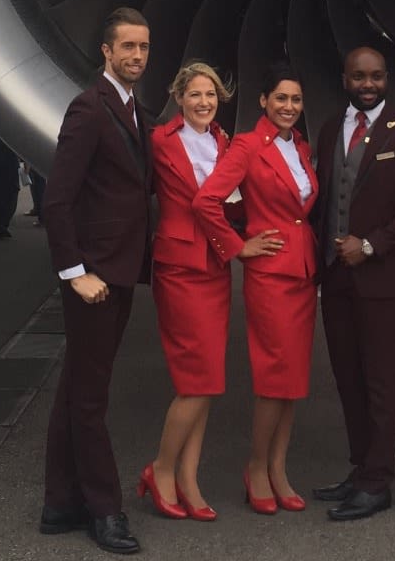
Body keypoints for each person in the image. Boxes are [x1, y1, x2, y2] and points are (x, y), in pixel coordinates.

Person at [39, 7, 153, 554]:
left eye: (143, 47)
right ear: (106, 52)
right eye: (126, 47)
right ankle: (104, 510)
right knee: (90, 398)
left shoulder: (133, 109)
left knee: (76, 388)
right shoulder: (88, 109)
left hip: (119, 269)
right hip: (94, 276)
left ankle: (60, 502)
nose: (136, 56)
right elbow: (57, 199)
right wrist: (76, 272)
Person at [310, 47, 395, 521]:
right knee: (347, 378)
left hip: (381, 277)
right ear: (345, 79)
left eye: (376, 76)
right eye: (359, 76)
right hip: (335, 277)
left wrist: (371, 244)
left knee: (381, 381)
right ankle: (360, 466)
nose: (368, 84)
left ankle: (378, 482)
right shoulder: (328, 130)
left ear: (387, 79)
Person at [193, 63, 316, 518]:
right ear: (263, 101)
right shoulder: (246, 147)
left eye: (296, 100)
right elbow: (205, 201)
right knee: (272, 381)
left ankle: (279, 469)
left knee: (292, 382)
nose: (289, 107)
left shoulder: (299, 146)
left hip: (302, 274)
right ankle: (256, 468)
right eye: (281, 99)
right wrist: (239, 246)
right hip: (270, 276)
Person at [140, 62, 237, 522]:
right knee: (195, 380)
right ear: (179, 97)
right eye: (195, 95)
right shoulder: (160, 141)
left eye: (211, 96)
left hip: (215, 267)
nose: (204, 103)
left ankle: (189, 478)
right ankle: (160, 469)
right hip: (179, 267)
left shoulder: (223, 142)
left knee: (209, 380)